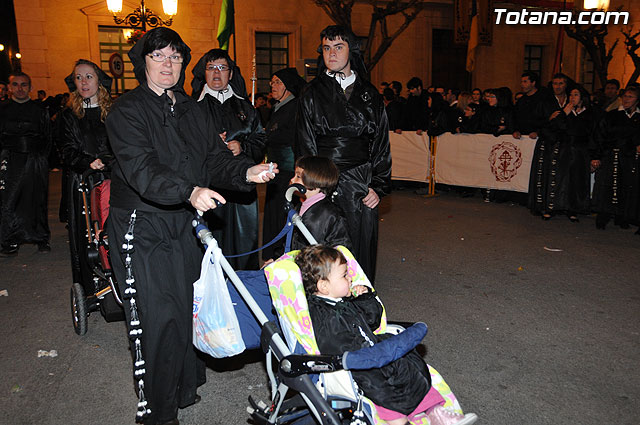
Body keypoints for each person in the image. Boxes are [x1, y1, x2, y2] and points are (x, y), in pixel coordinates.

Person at [104, 28, 277, 425]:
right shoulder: (127, 110)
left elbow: (214, 159)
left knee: (187, 307)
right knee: (159, 317)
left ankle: (182, 388)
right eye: (159, 56)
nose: (169, 64)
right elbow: (141, 169)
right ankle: (158, 414)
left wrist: (246, 171)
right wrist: (189, 189)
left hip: (185, 221)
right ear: (142, 62)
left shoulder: (190, 108)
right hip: (142, 226)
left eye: (176, 57)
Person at [295, 245, 478, 425]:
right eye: (344, 276)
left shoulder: (343, 301)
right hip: (356, 363)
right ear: (324, 286)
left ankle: (436, 412)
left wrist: (365, 298)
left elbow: (373, 321)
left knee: (407, 363)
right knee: (382, 385)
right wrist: (368, 352)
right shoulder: (322, 315)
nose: (350, 278)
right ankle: (400, 421)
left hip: (373, 351)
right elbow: (335, 343)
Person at [295, 24, 392, 282]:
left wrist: (378, 187)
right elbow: (305, 143)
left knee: (360, 246)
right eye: (326, 48)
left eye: (339, 47)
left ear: (352, 50)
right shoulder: (311, 93)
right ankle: (322, 306)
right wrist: (311, 186)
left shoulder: (370, 94)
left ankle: (360, 304)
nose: (332, 54)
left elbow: (381, 144)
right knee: (322, 248)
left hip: (361, 182)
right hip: (324, 181)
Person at [191, 48, 266, 270]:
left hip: (243, 190)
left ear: (231, 74)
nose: (217, 73)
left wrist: (242, 147)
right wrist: (211, 144)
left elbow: (261, 140)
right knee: (212, 245)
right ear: (203, 73)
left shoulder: (246, 108)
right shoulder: (193, 108)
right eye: (211, 67)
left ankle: (245, 295)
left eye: (222, 68)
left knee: (245, 247)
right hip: (211, 186)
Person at [57, 59, 114, 282]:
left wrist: (107, 161)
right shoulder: (69, 115)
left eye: (88, 76)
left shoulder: (114, 112)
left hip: (111, 177)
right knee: (86, 234)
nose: (83, 82)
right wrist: (88, 162)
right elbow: (66, 149)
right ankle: (90, 284)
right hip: (82, 180)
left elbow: (122, 142)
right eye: (78, 77)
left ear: (99, 79)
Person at [529, 85, 599, 221]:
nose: (572, 98)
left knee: (575, 181)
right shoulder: (562, 112)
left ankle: (572, 209)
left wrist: (594, 156)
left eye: (576, 95)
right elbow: (552, 129)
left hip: (580, 152)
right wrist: (564, 114)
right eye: (571, 95)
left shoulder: (590, 114)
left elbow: (593, 135)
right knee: (558, 180)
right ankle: (551, 207)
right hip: (562, 151)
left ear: (582, 98)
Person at [0, 71, 51, 257]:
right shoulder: (2, 110)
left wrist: (42, 159)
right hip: (11, 160)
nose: (20, 89)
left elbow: (47, 137)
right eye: (16, 85)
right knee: (9, 201)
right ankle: (10, 240)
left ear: (30, 87)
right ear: (10, 87)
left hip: (34, 160)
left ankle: (40, 238)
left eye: (24, 85)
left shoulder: (39, 110)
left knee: (36, 199)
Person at [261, 67, 306, 260]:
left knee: (283, 214)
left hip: (288, 170)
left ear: (288, 86)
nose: (273, 86)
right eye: (272, 82)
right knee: (273, 213)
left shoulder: (295, 107)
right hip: (275, 170)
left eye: (278, 82)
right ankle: (273, 254)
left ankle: (282, 256)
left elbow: (296, 139)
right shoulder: (278, 107)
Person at [591, 86, 640, 232]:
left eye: (630, 97)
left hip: (629, 158)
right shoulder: (611, 115)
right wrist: (596, 156)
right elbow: (599, 136)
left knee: (626, 186)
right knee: (606, 186)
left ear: (637, 100)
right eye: (625, 96)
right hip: (610, 156)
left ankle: (622, 217)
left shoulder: (638, 117)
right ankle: (603, 217)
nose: (626, 99)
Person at [289, 156, 351, 251]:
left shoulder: (332, 215)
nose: (292, 180)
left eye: (298, 177)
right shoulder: (298, 207)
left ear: (315, 179)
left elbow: (342, 251)